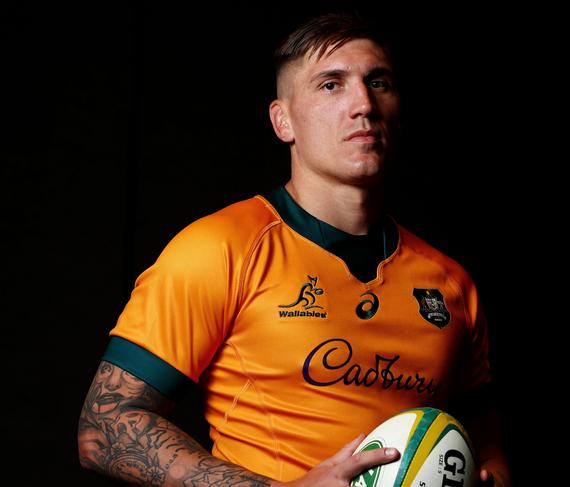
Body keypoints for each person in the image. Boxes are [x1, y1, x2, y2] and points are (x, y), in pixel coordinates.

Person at [78, 12, 511, 486]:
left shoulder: (450, 284)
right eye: (331, 85)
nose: (363, 103)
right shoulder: (220, 248)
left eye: (378, 82)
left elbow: (488, 451)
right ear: (283, 120)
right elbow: (105, 427)